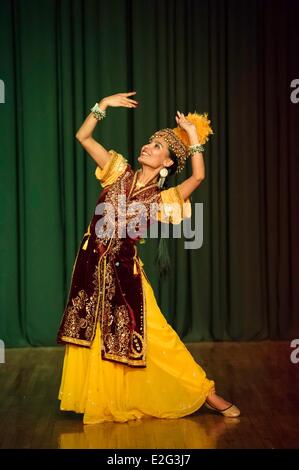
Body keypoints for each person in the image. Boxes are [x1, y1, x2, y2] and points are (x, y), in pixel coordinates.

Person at [56, 91, 240, 424]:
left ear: (168, 162)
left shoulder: (163, 198)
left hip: (126, 275)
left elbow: (198, 176)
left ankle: (205, 392)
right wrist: (103, 105)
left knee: (159, 337)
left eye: (157, 147)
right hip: (90, 268)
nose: (148, 147)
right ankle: (101, 400)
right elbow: (83, 136)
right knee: (93, 336)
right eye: (149, 142)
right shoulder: (116, 170)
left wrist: (194, 136)